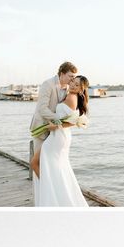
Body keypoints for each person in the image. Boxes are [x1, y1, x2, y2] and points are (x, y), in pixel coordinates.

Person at [33, 75, 90, 206]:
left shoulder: (71, 98)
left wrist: (56, 125)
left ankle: (51, 194)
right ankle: (54, 194)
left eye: (77, 85)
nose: (73, 85)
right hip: (58, 136)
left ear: (82, 90)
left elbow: (73, 122)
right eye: (73, 82)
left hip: (58, 137)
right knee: (54, 167)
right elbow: (67, 118)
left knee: (36, 163)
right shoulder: (70, 95)